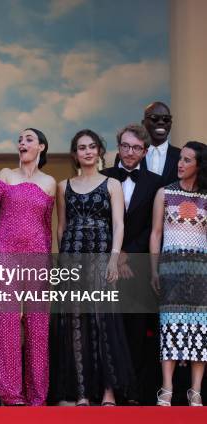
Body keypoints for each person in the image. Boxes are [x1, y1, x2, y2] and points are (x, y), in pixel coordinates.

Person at [0, 128, 55, 406]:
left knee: (37, 325)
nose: (22, 143)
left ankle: (37, 395)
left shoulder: (50, 182)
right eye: (19, 139)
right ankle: (11, 394)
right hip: (5, 253)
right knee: (5, 322)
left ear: (41, 146)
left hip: (37, 257)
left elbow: (48, 226)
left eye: (28, 139)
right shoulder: (5, 174)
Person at [51, 129, 133, 406]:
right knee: (76, 322)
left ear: (99, 151)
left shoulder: (112, 184)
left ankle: (108, 392)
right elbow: (61, 227)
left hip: (101, 256)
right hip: (72, 257)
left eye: (92, 146)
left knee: (102, 321)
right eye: (82, 147)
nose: (87, 151)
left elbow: (119, 224)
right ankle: (82, 392)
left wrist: (113, 258)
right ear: (75, 154)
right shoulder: (64, 186)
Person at [101, 124, 162, 404]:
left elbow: (154, 227)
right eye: (125, 146)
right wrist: (116, 253)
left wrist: (128, 253)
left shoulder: (156, 183)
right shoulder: (102, 178)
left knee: (137, 331)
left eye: (136, 147)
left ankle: (134, 395)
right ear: (118, 146)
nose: (129, 152)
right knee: (108, 329)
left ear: (145, 151)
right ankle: (109, 391)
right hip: (106, 266)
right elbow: (100, 222)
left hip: (137, 268)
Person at [150, 141, 206, 407]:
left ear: (199, 165)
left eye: (187, 160)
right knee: (169, 326)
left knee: (200, 328)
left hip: (201, 271)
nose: (180, 164)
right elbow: (156, 234)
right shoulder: (164, 193)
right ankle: (167, 389)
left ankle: (195, 392)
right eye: (179, 159)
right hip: (170, 269)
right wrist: (153, 269)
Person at [142, 102, 181, 185]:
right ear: (143, 123)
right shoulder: (129, 156)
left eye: (166, 119)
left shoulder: (181, 156)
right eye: (154, 118)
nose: (161, 122)